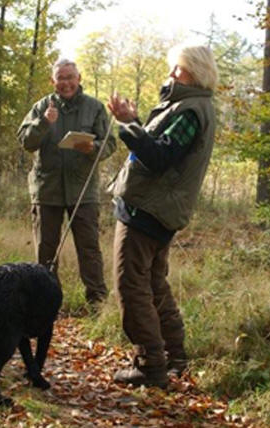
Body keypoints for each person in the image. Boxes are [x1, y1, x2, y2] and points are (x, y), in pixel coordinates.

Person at [107, 44, 218, 388]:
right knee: (153, 285)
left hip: (148, 211)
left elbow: (158, 157)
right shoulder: (187, 106)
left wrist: (128, 125)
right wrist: (136, 123)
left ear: (195, 73)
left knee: (131, 286)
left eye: (177, 69)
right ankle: (174, 357)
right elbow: (159, 149)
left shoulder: (190, 110)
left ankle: (150, 364)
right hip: (155, 208)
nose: (171, 74)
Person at [17, 59, 116, 305]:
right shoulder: (41, 107)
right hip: (46, 189)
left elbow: (110, 144)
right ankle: (47, 302)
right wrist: (43, 123)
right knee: (46, 250)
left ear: (79, 78)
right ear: (53, 81)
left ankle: (97, 302)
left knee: (89, 249)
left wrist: (92, 146)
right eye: (61, 78)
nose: (66, 83)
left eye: (70, 77)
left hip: (83, 190)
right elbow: (26, 142)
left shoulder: (94, 108)